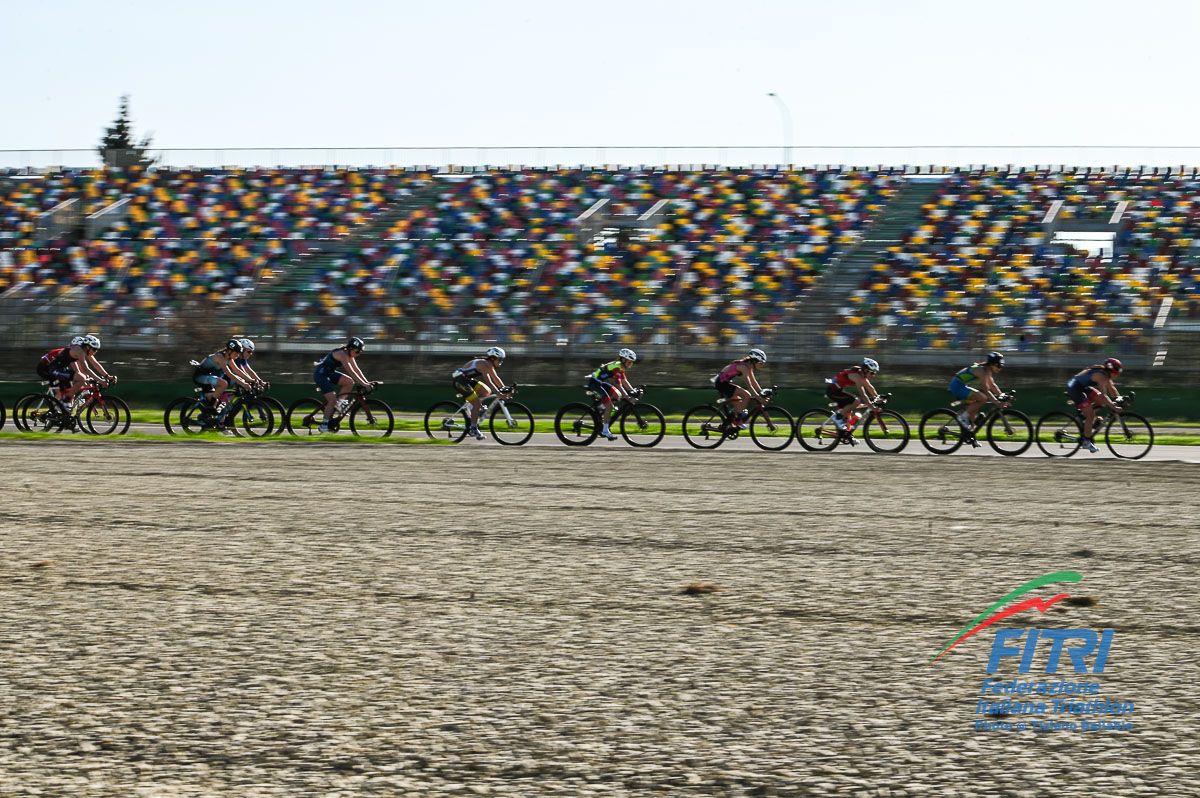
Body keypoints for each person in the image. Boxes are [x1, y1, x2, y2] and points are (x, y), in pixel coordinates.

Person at [313, 336, 378, 432]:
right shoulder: (342, 354)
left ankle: (338, 404)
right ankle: (324, 425)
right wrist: (364, 384)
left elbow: (357, 370)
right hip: (321, 374)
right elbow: (351, 371)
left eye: (360, 352)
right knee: (332, 400)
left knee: (349, 382)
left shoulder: (349, 354)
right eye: (357, 351)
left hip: (329, 373)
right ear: (351, 348)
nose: (358, 354)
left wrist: (366, 382)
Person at [37, 334, 116, 405]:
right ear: (88, 347)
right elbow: (84, 369)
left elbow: (95, 364)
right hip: (51, 369)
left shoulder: (84, 351)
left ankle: (65, 406)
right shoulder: (79, 351)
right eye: (94, 349)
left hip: (59, 368)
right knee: (79, 380)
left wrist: (107, 376)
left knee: (73, 387)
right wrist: (100, 381)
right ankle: (64, 401)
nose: (95, 352)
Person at [1067, 357, 1123, 453]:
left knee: (1101, 402)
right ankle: (1086, 442)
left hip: (1082, 387)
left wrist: (1120, 399)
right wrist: (1114, 406)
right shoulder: (1101, 376)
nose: (1117, 375)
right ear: (1111, 371)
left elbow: (1112, 389)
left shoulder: (1106, 375)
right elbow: (1103, 395)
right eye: (1116, 372)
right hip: (1074, 388)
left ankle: (1084, 416)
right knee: (1091, 416)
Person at [452, 346, 509, 440]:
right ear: (493, 358)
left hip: (467, 379)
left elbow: (496, 378)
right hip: (460, 381)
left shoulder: (488, 365)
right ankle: (473, 428)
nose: (501, 362)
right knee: (477, 404)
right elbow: (489, 382)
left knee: (486, 391)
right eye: (500, 360)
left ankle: (472, 407)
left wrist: (505, 388)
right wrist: (499, 392)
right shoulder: (484, 364)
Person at [949, 352, 1008, 436]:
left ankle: (970, 435)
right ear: (992, 364)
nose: (1000, 368)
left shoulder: (987, 370)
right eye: (998, 365)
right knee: (983, 398)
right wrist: (996, 402)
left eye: (1001, 366)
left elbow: (992, 385)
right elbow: (986, 389)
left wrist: (1002, 395)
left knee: (974, 410)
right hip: (957, 386)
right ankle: (962, 417)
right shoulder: (981, 370)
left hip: (961, 385)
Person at [588, 348, 638, 441]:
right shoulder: (616, 367)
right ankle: (605, 430)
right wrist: (627, 396)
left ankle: (602, 408)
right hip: (595, 383)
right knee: (610, 405)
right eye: (629, 362)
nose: (631, 364)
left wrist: (633, 390)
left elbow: (624, 381)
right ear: (623, 360)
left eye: (632, 362)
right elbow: (618, 384)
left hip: (600, 382)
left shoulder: (620, 367)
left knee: (617, 395)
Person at [194, 339, 255, 413]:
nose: (237, 355)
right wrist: (244, 384)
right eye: (236, 353)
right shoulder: (220, 357)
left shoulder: (229, 358)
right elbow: (229, 373)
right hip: (200, 376)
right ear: (229, 351)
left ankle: (213, 410)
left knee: (220, 397)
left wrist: (251, 380)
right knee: (224, 383)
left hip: (209, 377)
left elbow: (237, 370)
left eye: (239, 353)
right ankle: (211, 406)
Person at [712, 349, 768, 428]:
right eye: (761, 363)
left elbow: (753, 381)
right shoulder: (743, 367)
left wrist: (761, 392)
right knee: (747, 395)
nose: (762, 365)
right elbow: (750, 386)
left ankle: (727, 424)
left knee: (738, 404)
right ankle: (737, 421)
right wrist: (759, 397)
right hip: (721, 384)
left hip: (725, 383)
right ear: (754, 360)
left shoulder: (748, 367)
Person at [825, 357, 882, 432]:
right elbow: (863, 394)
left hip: (838, 390)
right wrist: (871, 406)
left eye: (874, 373)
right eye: (872, 373)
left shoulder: (862, 376)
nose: (873, 375)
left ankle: (847, 433)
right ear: (865, 370)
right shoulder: (856, 376)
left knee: (849, 412)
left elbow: (870, 388)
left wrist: (878, 397)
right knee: (856, 401)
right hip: (832, 391)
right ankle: (837, 418)